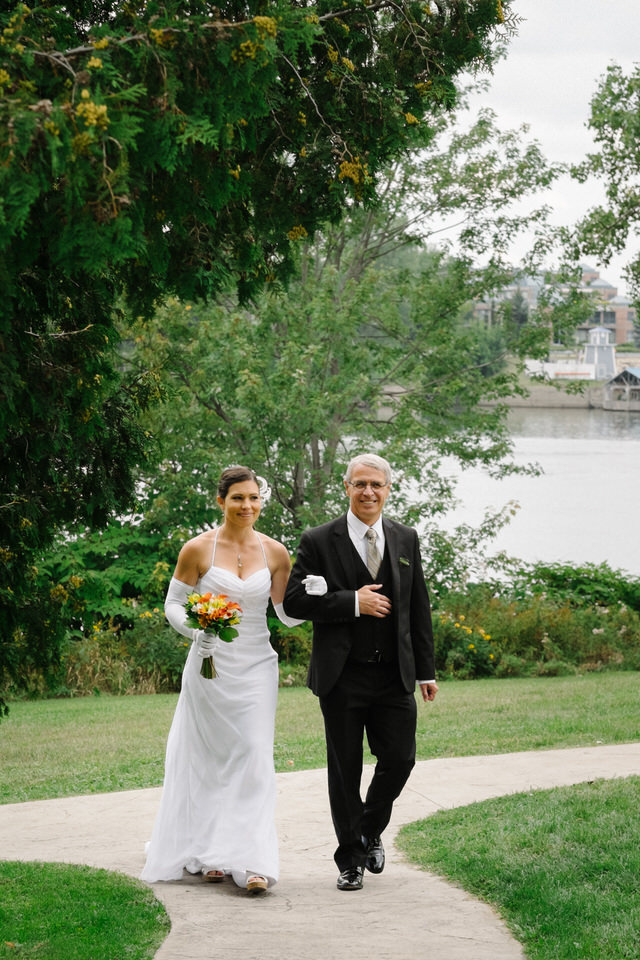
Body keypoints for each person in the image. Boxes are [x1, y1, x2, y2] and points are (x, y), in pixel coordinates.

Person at [141, 465, 302, 894]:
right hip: (208, 665)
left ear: (260, 501)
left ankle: (250, 860)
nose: (246, 506)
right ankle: (211, 853)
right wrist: (198, 632)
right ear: (221, 501)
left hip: (255, 666)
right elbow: (174, 604)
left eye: (253, 498)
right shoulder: (197, 549)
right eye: (237, 498)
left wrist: (320, 596)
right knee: (209, 757)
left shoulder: (276, 553)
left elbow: (286, 615)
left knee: (252, 755)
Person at [283, 453, 438, 891]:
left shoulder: (406, 538)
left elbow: (417, 607)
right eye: (360, 484)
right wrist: (353, 601)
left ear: (388, 489)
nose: (368, 492)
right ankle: (349, 860)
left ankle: (368, 829)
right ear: (346, 487)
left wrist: (425, 671)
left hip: (394, 676)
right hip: (342, 677)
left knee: (401, 759)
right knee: (345, 770)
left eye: (377, 484)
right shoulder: (318, 539)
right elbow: (295, 602)